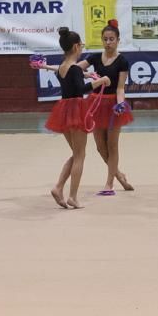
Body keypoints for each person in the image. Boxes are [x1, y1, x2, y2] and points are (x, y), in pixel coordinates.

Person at [44, 27, 110, 209]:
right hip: (76, 110)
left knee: (75, 154)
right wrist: (101, 80)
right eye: (80, 45)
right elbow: (81, 89)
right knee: (80, 155)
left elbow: (73, 82)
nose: (81, 48)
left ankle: (58, 187)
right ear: (75, 47)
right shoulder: (74, 68)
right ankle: (73, 196)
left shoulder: (62, 68)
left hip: (63, 111)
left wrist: (86, 74)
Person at [85, 20, 135, 195]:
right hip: (96, 103)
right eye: (105, 39)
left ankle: (109, 184)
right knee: (100, 146)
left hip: (114, 104)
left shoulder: (122, 61)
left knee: (112, 145)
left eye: (111, 39)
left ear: (118, 40)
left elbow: (121, 87)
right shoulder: (94, 58)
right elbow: (75, 69)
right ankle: (120, 175)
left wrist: (121, 103)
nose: (108, 43)